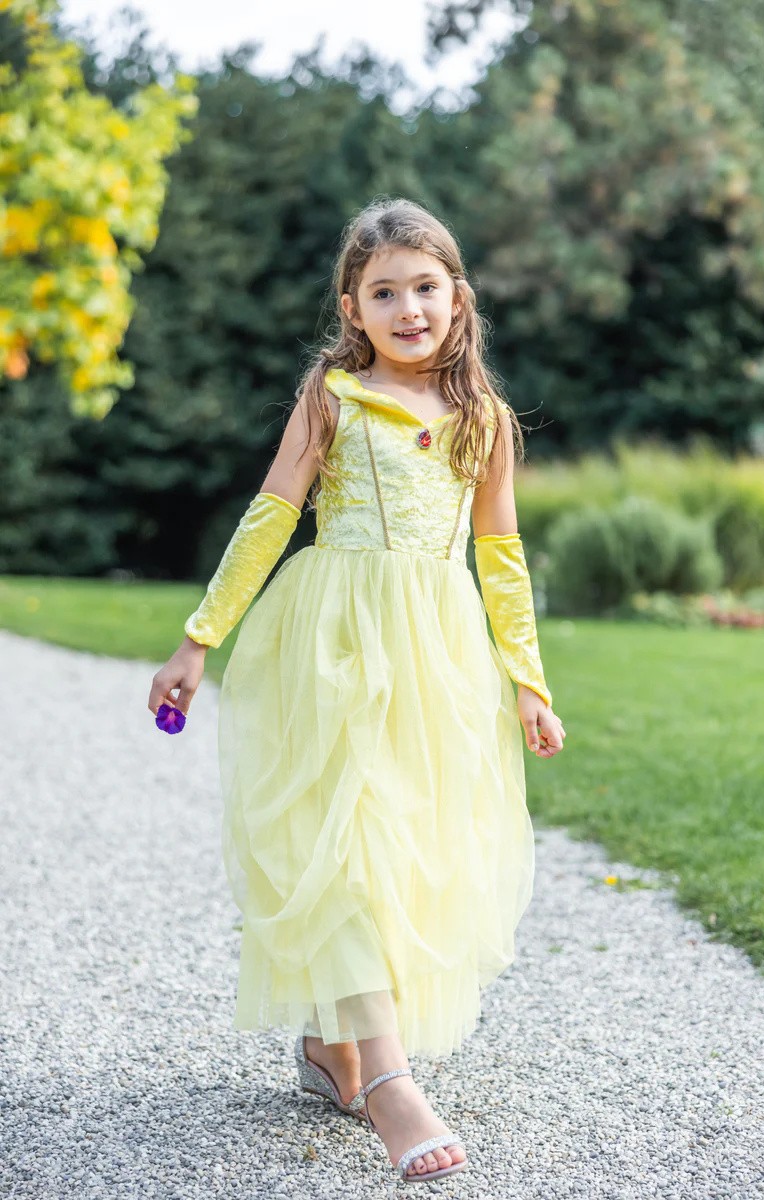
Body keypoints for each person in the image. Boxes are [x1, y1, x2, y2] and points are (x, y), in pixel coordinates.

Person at [148, 196, 566, 1184]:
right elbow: (270, 515)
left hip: (436, 655)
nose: (407, 308)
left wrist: (527, 681)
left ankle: (332, 1046)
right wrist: (199, 638)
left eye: (424, 288)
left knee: (407, 851)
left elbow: (501, 556)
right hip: (333, 644)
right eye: (384, 292)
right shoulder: (332, 396)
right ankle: (388, 1081)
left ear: (457, 298)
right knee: (348, 843)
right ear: (352, 307)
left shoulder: (483, 420)